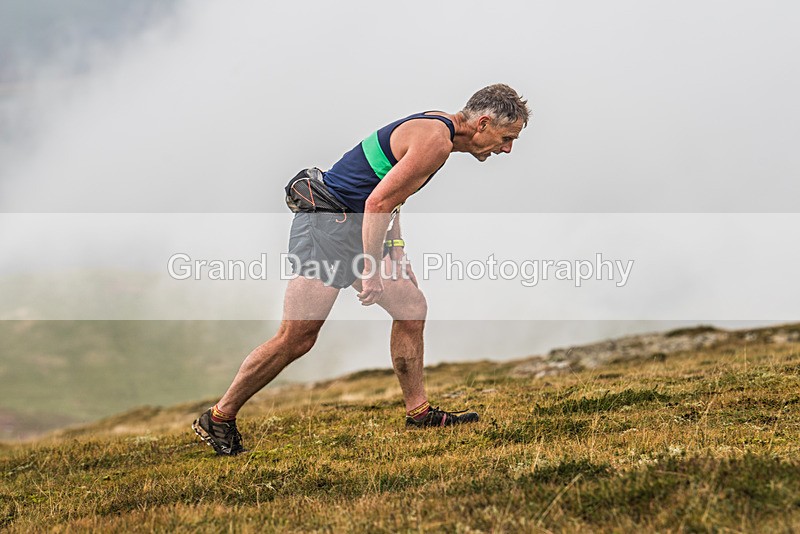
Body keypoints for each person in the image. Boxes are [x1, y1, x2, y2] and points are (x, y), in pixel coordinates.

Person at [193, 83, 531, 455]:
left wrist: (396, 250)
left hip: (351, 226)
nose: (507, 148)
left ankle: (419, 413)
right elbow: (378, 201)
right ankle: (219, 417)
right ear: (483, 123)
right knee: (297, 337)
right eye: (507, 137)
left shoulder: (439, 132)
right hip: (326, 226)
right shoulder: (436, 139)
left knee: (411, 307)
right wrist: (372, 267)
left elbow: (392, 192)